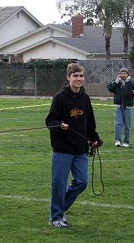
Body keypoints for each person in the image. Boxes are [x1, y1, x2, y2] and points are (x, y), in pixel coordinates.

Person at [45, 63, 102, 228]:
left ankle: (60, 209)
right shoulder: (60, 97)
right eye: (75, 76)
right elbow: (50, 121)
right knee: (59, 184)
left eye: (81, 76)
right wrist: (59, 125)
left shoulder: (85, 98)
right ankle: (55, 218)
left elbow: (89, 122)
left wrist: (94, 138)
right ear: (68, 77)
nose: (79, 79)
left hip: (80, 149)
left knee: (82, 181)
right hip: (62, 149)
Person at [107, 68, 134, 148]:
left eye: (124, 73)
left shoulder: (131, 82)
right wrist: (116, 82)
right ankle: (117, 141)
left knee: (127, 125)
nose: (123, 75)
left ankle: (126, 142)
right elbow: (110, 88)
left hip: (128, 106)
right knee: (118, 124)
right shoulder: (116, 81)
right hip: (118, 106)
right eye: (121, 73)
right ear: (119, 74)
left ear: (127, 74)